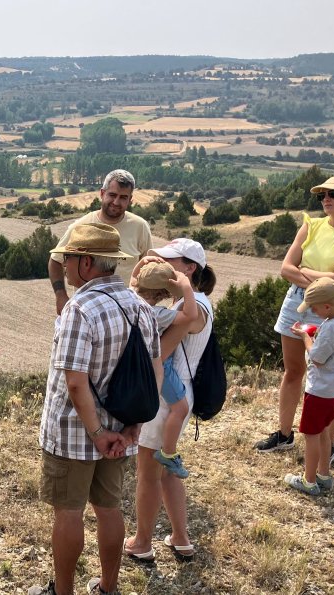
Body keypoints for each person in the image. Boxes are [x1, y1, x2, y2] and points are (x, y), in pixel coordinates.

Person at [38, 222, 160, 595]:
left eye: (69, 257)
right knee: (109, 509)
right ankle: (108, 586)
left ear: (86, 262)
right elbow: (154, 373)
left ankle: (63, 591)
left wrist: (96, 432)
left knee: (69, 512)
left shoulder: (79, 308)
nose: (65, 264)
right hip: (122, 432)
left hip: (76, 432)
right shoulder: (141, 306)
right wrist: (132, 428)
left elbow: (75, 382)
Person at [256, 175, 334, 459]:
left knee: (330, 379)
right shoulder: (311, 225)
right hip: (297, 301)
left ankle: (329, 444)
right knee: (293, 371)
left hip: (332, 309)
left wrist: (307, 272)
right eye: (322, 195)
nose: (326, 199)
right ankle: (284, 435)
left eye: (333, 193)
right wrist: (320, 278)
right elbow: (285, 268)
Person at [125, 238, 216, 565]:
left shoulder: (188, 309)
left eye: (170, 261)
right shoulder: (198, 302)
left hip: (165, 395)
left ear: (189, 269)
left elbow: (159, 354)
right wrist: (147, 265)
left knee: (147, 472)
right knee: (166, 471)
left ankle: (143, 542)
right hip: (179, 392)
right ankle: (180, 538)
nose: (162, 266)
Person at [284, 277, 334, 496]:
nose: (312, 311)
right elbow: (331, 342)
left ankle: (308, 480)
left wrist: (305, 336)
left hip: (319, 391)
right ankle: (324, 475)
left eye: (314, 308)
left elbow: (317, 357)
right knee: (324, 431)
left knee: (311, 435)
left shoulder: (331, 328)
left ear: (326, 306)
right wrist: (316, 332)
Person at [50, 170, 153, 315]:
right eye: (112, 195)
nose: (116, 202)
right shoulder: (81, 227)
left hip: (128, 312)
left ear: (130, 200)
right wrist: (60, 296)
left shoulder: (140, 227)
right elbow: (55, 261)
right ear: (102, 193)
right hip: (87, 311)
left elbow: (148, 266)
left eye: (123, 197)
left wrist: (145, 301)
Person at [130, 260, 197, 479]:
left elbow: (132, 281)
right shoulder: (156, 313)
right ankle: (168, 452)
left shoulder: (130, 299)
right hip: (159, 366)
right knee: (181, 407)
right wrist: (187, 287)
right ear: (162, 293)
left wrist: (142, 263)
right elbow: (189, 316)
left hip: (134, 365)